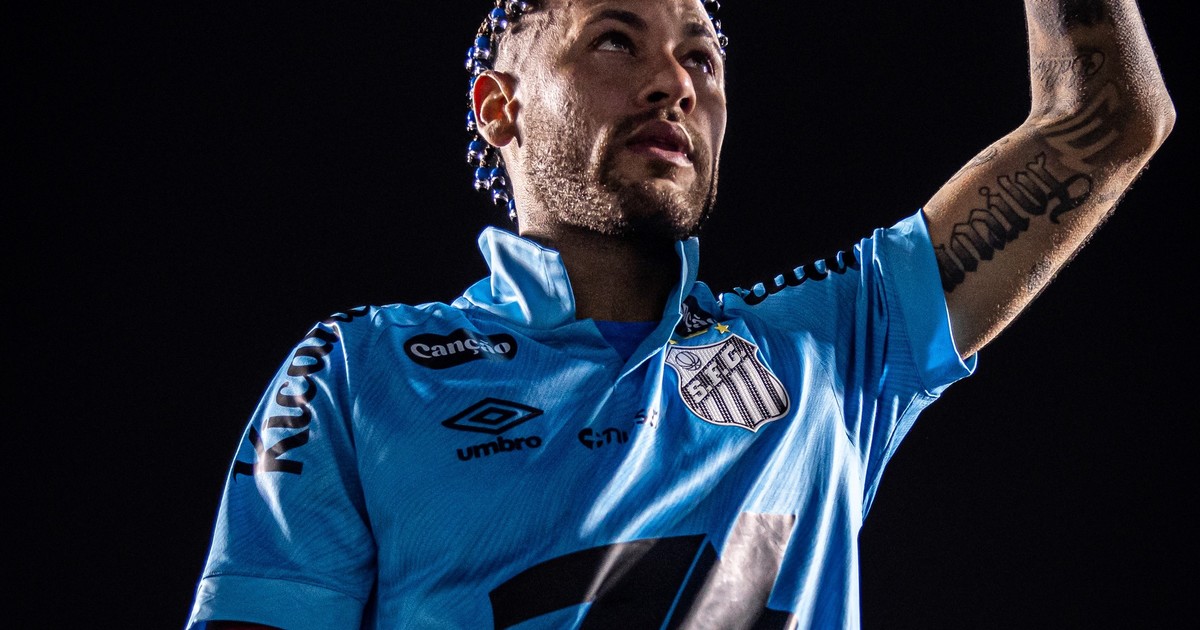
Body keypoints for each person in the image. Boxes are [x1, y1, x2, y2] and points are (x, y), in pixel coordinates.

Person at [186, 0, 1173, 628]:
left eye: (702, 57)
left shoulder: (831, 347)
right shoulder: (360, 370)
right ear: (499, 107)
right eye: (616, 41)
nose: (674, 83)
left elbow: (1108, 120)